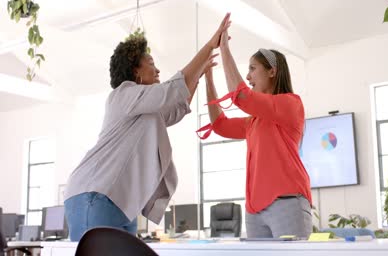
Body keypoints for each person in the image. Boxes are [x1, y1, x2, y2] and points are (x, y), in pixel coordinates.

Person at [63, 13, 231, 242]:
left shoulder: (146, 109)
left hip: (122, 202)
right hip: (94, 194)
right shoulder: (123, 95)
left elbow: (176, 108)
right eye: (151, 64)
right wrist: (210, 46)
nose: (158, 70)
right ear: (135, 72)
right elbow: (170, 92)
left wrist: (200, 73)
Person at [199, 27, 312, 238]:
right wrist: (209, 78)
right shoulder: (254, 121)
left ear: (272, 71)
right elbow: (220, 125)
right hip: (255, 210)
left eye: (252, 68)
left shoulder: (290, 104)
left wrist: (224, 48)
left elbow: (243, 97)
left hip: (287, 203)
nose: (248, 76)